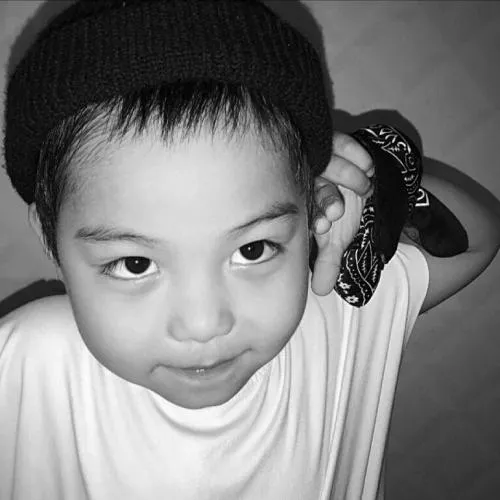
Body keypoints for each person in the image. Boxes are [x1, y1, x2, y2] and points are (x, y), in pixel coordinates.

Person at [1, 1, 499, 499]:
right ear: (51, 238)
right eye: (136, 264)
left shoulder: (336, 310)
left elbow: (476, 240)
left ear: (308, 212)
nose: (204, 325)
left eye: (254, 250)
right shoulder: (28, 360)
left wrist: (378, 182)